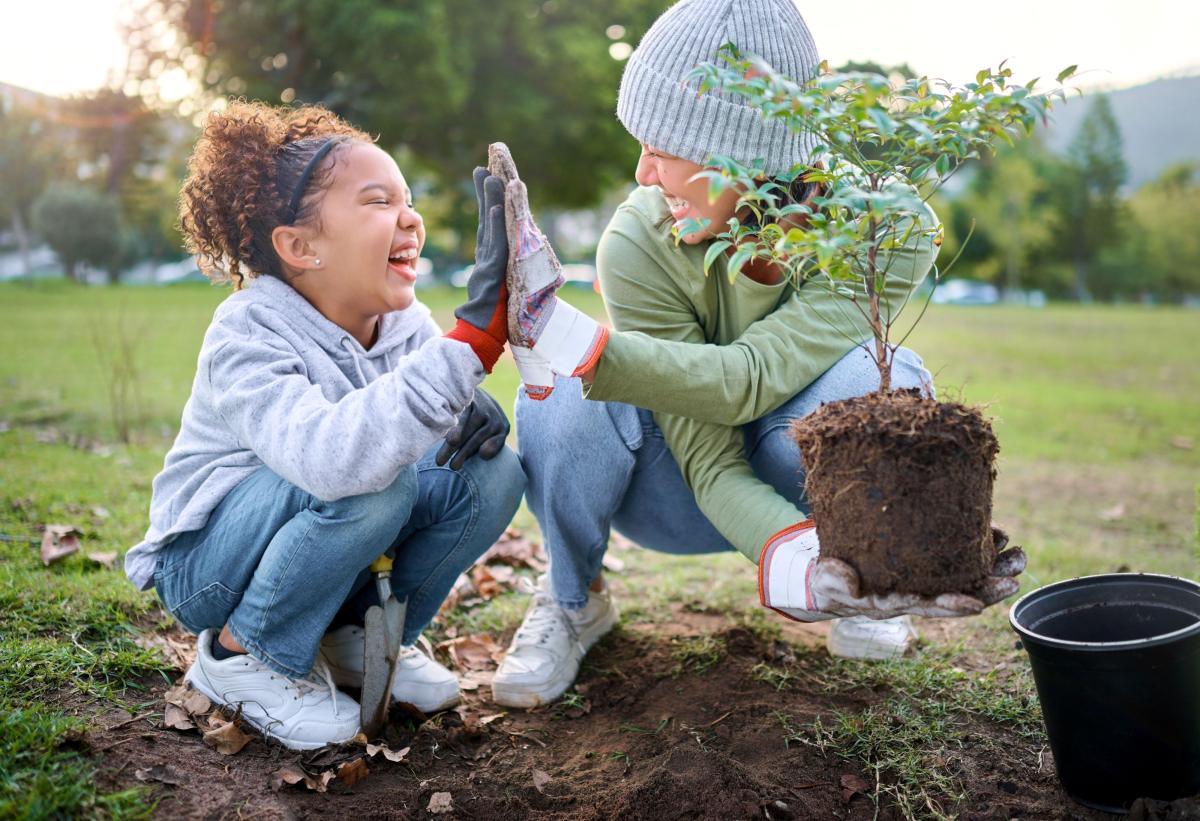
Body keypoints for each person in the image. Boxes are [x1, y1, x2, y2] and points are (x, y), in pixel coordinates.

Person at [489, 0, 1025, 708]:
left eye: (662, 147)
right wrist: (789, 558)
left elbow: (750, 380)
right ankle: (573, 598)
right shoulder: (638, 242)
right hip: (672, 489)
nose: (644, 174)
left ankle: (869, 574)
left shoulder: (886, 228)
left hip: (805, 474)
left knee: (874, 375)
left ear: (741, 152)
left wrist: (903, 546)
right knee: (560, 396)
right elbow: (709, 460)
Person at [124, 101, 524, 749]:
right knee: (370, 481)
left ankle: (358, 637)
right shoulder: (247, 330)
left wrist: (456, 400)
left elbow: (412, 412)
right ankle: (243, 655)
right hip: (209, 564)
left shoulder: (404, 324)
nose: (411, 218)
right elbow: (331, 460)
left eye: (409, 199)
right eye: (377, 201)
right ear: (301, 246)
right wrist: (470, 345)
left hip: (319, 531)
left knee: (489, 470)